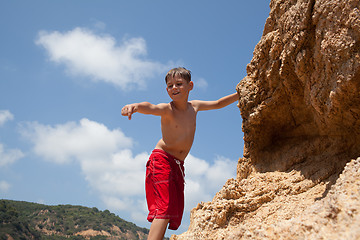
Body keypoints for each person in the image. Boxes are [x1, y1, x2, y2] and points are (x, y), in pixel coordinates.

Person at [121, 67, 239, 240]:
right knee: (164, 206)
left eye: (179, 84)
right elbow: (150, 107)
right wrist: (134, 106)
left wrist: (239, 93)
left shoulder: (195, 107)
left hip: (177, 165)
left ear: (190, 85)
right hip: (161, 160)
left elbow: (219, 103)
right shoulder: (167, 109)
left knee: (171, 211)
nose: (174, 88)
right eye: (170, 86)